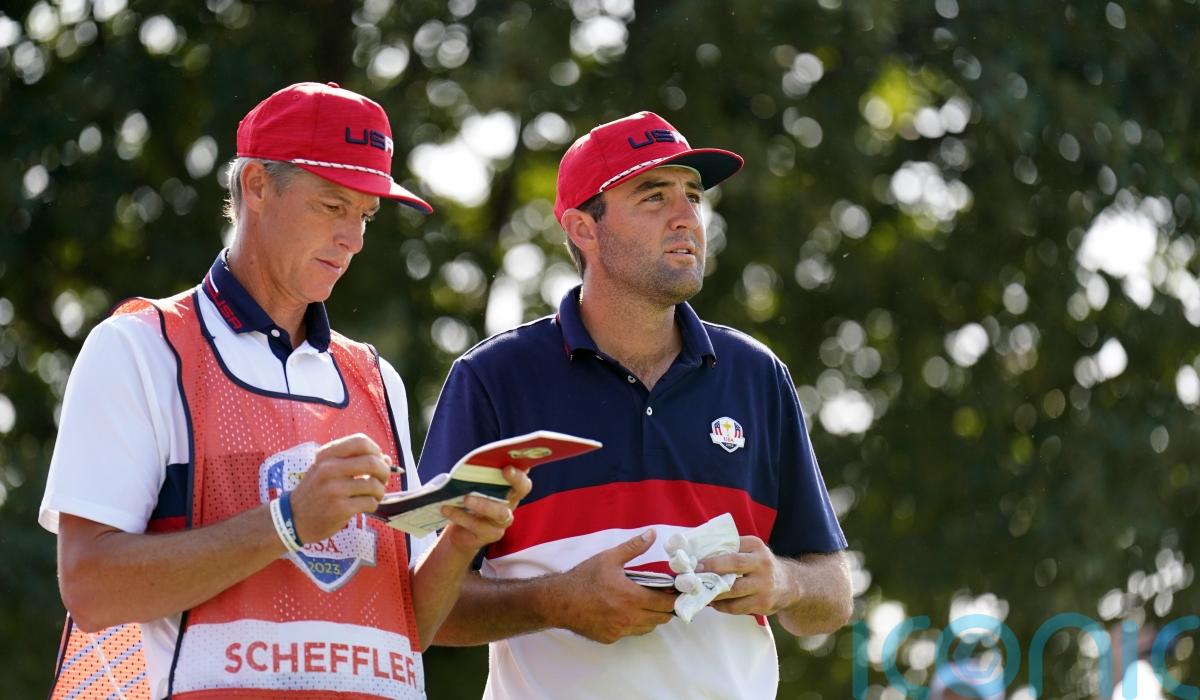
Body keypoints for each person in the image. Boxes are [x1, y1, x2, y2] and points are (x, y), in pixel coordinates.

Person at [39, 82, 530, 700]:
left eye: (365, 216)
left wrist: (462, 538)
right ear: (256, 186)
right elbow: (90, 588)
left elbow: (408, 630)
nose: (353, 238)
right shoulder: (139, 348)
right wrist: (289, 522)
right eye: (332, 205)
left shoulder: (377, 378)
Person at [417, 111, 853, 699]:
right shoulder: (493, 379)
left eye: (692, 195)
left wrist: (784, 582)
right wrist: (557, 602)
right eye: (653, 196)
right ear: (583, 229)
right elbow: (423, 608)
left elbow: (834, 594)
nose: (686, 217)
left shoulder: (757, 375)